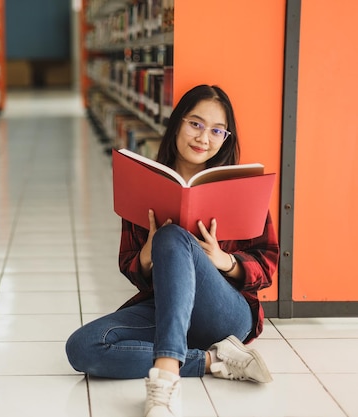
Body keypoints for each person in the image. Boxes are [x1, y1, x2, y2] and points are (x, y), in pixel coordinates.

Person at [65, 84, 280, 417]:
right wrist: (149, 254)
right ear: (177, 122)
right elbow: (129, 265)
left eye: (216, 130)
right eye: (195, 123)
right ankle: (213, 360)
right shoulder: (146, 182)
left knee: (171, 236)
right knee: (83, 348)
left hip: (225, 313)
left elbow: (267, 265)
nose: (203, 137)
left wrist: (225, 262)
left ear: (226, 137)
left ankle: (164, 380)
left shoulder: (239, 185)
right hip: (167, 309)